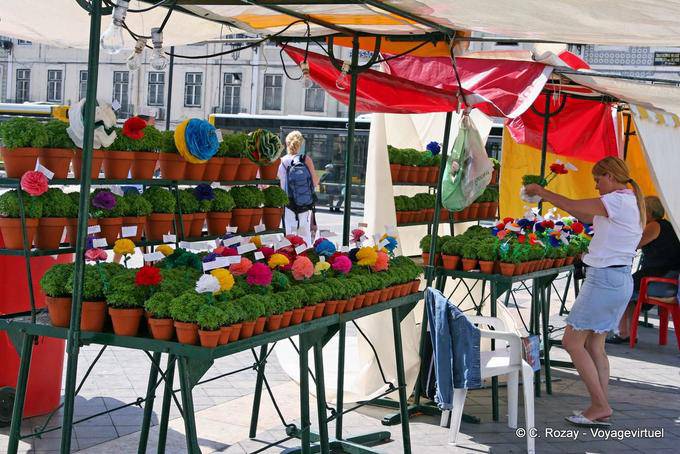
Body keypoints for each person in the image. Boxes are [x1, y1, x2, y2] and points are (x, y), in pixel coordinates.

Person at [524, 156, 645, 426]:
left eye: (598, 179)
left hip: (604, 279)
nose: (596, 186)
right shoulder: (631, 200)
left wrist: (542, 192)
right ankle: (601, 404)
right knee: (595, 345)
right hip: (619, 279)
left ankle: (599, 405)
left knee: (572, 342)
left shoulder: (618, 199)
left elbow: (574, 208)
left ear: (611, 177)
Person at [607, 196, 680, 343]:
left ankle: (622, 332)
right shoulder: (666, 224)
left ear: (648, 212)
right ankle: (626, 332)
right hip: (667, 274)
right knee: (627, 290)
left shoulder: (654, 226)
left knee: (620, 287)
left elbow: (633, 245)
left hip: (660, 276)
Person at [277, 131, 319, 245]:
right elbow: (315, 182)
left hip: (286, 204)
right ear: (300, 145)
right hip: (303, 204)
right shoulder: (305, 159)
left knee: (287, 235)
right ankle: (303, 258)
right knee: (304, 235)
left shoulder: (280, 162)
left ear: (286, 144)